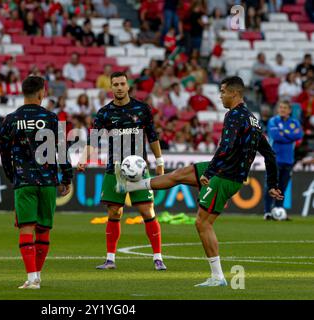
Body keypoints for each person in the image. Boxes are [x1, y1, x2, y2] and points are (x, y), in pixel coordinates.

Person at [115, 76, 283, 286]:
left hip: (225, 175)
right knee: (179, 174)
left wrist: (210, 172)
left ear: (234, 93)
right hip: (224, 169)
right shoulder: (252, 119)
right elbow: (269, 154)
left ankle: (217, 277)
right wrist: (274, 184)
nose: (220, 95)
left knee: (202, 223)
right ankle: (130, 186)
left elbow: (226, 147)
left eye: (223, 91)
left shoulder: (234, 116)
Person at [77, 71, 166, 271]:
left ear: (128, 86)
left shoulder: (141, 109)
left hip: (139, 168)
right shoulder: (104, 113)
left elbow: (152, 136)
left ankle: (158, 258)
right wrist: (83, 160)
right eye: (115, 84)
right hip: (115, 168)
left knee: (147, 210)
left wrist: (159, 161)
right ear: (111, 87)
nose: (119, 87)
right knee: (114, 211)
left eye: (122, 83)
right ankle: (110, 259)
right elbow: (93, 140)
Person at [0, 76, 73, 289]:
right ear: (42, 92)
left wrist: (10, 174)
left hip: (24, 180)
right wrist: (66, 177)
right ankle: (37, 275)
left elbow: (3, 151)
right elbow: (62, 150)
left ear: (23, 93)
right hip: (48, 181)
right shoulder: (51, 117)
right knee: (43, 230)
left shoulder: (12, 119)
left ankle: (32, 279)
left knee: (26, 228)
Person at [264, 100, 303, 220]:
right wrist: (290, 135)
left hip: (289, 160)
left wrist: (284, 134)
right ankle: (267, 212)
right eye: (280, 107)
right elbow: (276, 137)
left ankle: (278, 211)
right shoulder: (273, 121)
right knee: (271, 187)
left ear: (289, 110)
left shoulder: (294, 122)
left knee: (282, 188)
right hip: (274, 159)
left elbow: (299, 135)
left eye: (285, 108)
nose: (282, 110)